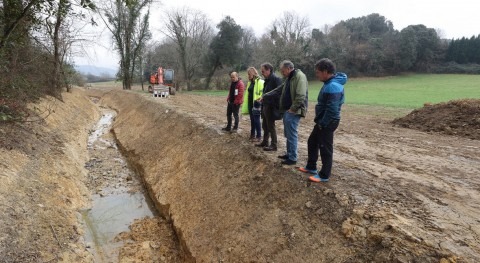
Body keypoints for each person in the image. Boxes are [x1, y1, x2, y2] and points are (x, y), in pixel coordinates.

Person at [298, 58, 347, 182]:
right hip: (322, 121)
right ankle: (311, 166)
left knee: (325, 147)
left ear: (325, 71)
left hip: (328, 122)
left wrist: (323, 123)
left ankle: (324, 175)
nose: (317, 75)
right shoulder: (329, 84)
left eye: (318, 72)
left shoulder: (333, 87)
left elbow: (332, 110)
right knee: (312, 142)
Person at [263, 60, 308, 165]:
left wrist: (293, 108)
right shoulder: (289, 78)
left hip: (294, 111)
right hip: (288, 110)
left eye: (283, 71)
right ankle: (289, 153)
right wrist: (265, 96)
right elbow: (279, 89)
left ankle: (292, 158)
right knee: (288, 133)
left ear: (289, 68)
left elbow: (301, 95)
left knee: (291, 134)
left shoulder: (299, 77)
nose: (282, 73)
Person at [256, 62, 282, 151]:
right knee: (264, 125)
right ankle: (265, 141)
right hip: (265, 105)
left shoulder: (276, 79)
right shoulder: (267, 79)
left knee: (271, 126)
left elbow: (278, 93)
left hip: (271, 106)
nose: (262, 73)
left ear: (269, 70)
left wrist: (266, 97)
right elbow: (266, 92)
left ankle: (274, 145)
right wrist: (263, 98)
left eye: (263, 71)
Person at [241, 67, 264, 142]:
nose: (248, 76)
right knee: (252, 120)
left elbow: (262, 93)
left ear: (253, 73)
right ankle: (252, 134)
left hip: (256, 103)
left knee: (256, 120)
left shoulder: (260, 82)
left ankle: (259, 136)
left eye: (249, 74)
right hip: (250, 103)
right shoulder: (250, 82)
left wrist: (260, 101)